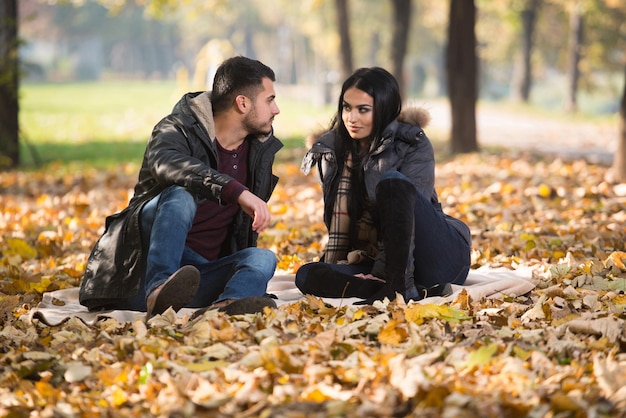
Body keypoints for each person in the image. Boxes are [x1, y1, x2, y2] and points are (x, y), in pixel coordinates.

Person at [79, 56, 283, 319]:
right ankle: (159, 290)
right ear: (242, 103)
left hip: (197, 280)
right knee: (180, 195)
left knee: (263, 258)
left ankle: (225, 308)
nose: (276, 109)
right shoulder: (176, 128)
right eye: (270, 100)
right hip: (137, 275)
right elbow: (167, 162)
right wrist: (236, 190)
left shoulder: (259, 147)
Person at [296, 67, 471, 305]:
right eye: (347, 108)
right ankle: (387, 286)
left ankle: (400, 287)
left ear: (384, 109)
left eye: (363, 110)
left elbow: (405, 219)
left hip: (435, 256)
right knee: (307, 275)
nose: (351, 118)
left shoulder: (412, 143)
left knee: (393, 184)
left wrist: (387, 274)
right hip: (375, 257)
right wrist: (339, 266)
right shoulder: (333, 151)